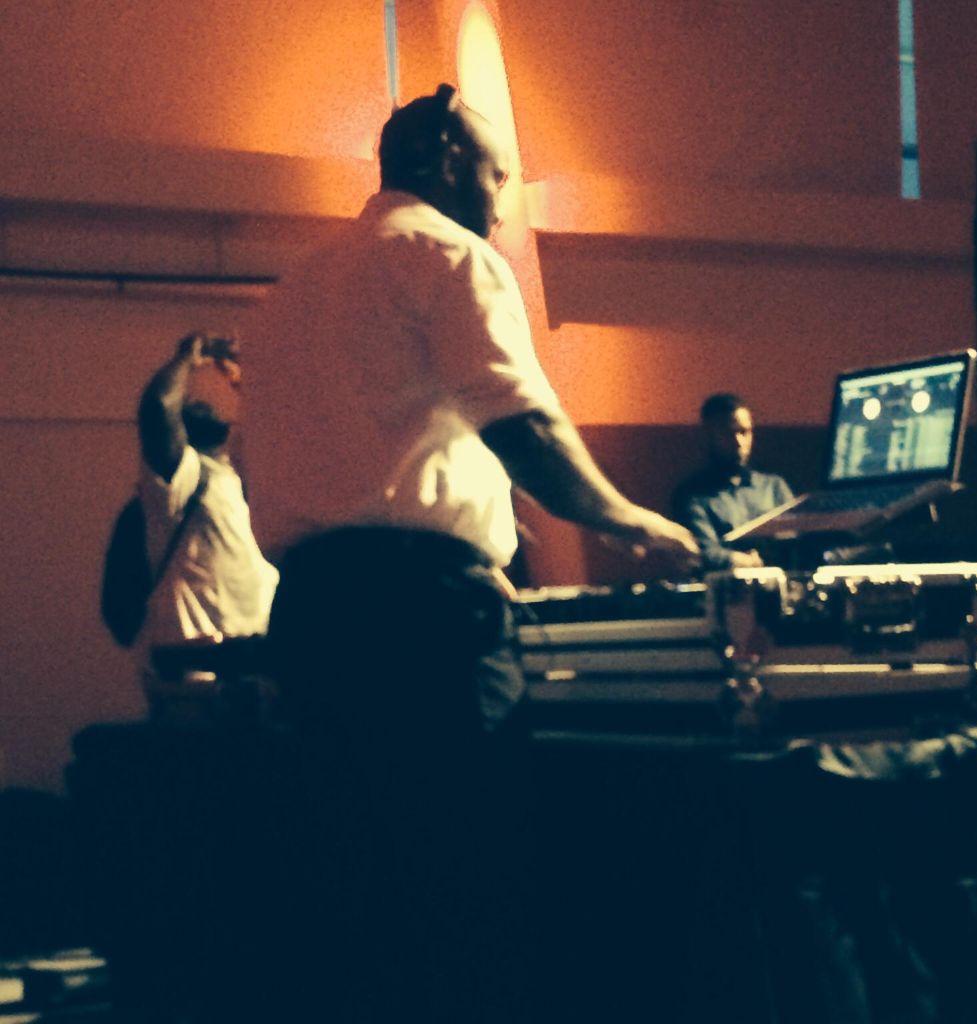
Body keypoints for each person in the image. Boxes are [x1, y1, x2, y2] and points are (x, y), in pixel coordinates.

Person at [241, 83, 701, 1020]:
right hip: (423, 622)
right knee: (470, 888)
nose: (501, 204)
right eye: (499, 177)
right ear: (451, 158)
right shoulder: (449, 256)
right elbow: (523, 428)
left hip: (308, 618)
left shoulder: (287, 294)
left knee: (360, 901)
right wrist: (635, 523)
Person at [135, 333, 279, 708]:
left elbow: (275, 421)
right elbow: (157, 407)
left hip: (254, 665)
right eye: (193, 404)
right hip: (197, 672)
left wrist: (245, 375)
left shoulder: (237, 472)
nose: (205, 404)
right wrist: (187, 358)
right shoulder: (181, 477)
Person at [670, 392, 793, 571]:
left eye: (744, 432)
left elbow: (798, 541)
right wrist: (744, 561)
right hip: (725, 585)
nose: (738, 442)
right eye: (728, 433)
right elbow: (703, 553)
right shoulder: (690, 495)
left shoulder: (774, 487)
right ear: (709, 436)